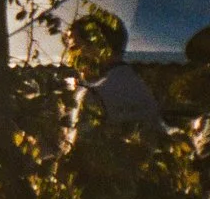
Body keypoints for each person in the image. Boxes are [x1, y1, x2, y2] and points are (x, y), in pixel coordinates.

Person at [66, 10, 162, 146]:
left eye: (74, 47)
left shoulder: (93, 96)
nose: (70, 58)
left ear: (98, 46)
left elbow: (77, 158)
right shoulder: (143, 91)